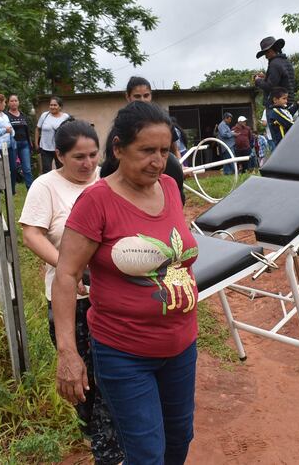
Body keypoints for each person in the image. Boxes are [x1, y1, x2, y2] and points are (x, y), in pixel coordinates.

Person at [53, 101, 199, 464]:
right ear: (118, 149)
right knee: (147, 453)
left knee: (180, 437)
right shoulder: (97, 201)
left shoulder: (168, 186)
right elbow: (67, 274)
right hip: (125, 353)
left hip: (181, 346)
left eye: (164, 151)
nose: (157, 160)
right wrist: (68, 353)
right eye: (146, 150)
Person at [19, 119, 123, 465]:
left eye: (94, 155)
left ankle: (110, 450)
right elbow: (32, 234)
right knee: (84, 384)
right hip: (72, 302)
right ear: (59, 155)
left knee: (115, 381)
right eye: (79, 156)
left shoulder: (108, 182)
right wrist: (68, 269)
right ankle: (98, 438)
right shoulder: (45, 187)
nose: (88, 164)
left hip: (111, 299)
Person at [99, 77, 186, 205]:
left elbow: (174, 149)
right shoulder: (122, 124)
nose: (143, 100)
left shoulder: (163, 122)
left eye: (146, 95)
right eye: (137, 96)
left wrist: (179, 166)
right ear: (128, 97)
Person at [254, 36, 296, 112]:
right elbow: (281, 82)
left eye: (266, 53)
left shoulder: (274, 64)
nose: (266, 56)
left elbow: (269, 86)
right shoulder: (286, 62)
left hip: (278, 107)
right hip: (288, 103)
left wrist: (258, 80)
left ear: (270, 50)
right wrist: (265, 78)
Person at [0, 94, 18, 194]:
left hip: (10, 145)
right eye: (4, 102)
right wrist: (4, 130)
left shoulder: (5, 115)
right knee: (0, 169)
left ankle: (11, 189)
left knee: (13, 168)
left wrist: (12, 132)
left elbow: (10, 128)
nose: (5, 104)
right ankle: (1, 189)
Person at [6, 94, 34, 189]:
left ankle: (30, 189)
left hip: (24, 144)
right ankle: (12, 190)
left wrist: (30, 144)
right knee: (13, 168)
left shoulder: (23, 115)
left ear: (18, 102)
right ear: (8, 103)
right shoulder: (6, 116)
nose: (14, 103)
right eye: (12, 101)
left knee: (27, 169)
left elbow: (27, 131)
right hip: (13, 145)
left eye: (15, 101)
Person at [35, 96, 70, 173]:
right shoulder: (44, 115)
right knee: (46, 170)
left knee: (61, 169)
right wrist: (36, 143)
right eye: (51, 105)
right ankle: (47, 185)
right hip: (45, 148)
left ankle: (61, 184)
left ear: (60, 107)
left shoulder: (65, 117)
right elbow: (37, 129)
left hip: (59, 148)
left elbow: (70, 131)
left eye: (55, 105)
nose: (52, 107)